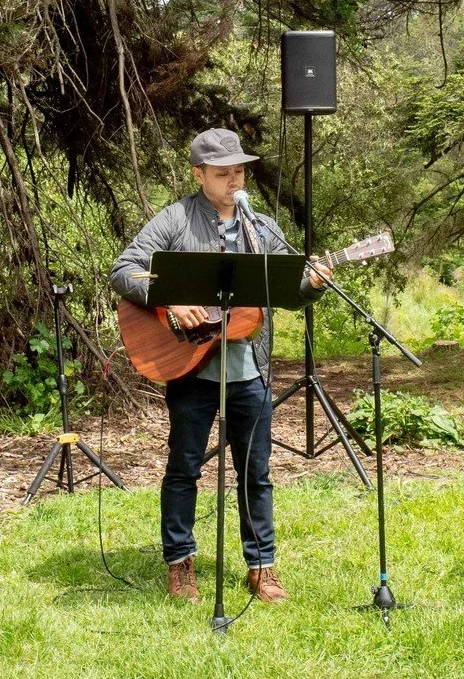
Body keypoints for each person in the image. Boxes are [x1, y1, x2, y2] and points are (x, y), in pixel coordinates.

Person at [110, 127, 331, 604]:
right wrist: (168, 303)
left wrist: (311, 284)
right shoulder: (175, 219)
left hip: (249, 369)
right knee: (184, 467)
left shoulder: (263, 227)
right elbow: (123, 269)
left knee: (256, 471)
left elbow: (287, 293)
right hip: (192, 369)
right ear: (198, 174)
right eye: (223, 172)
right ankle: (180, 563)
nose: (235, 180)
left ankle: (262, 566)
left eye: (239, 171)